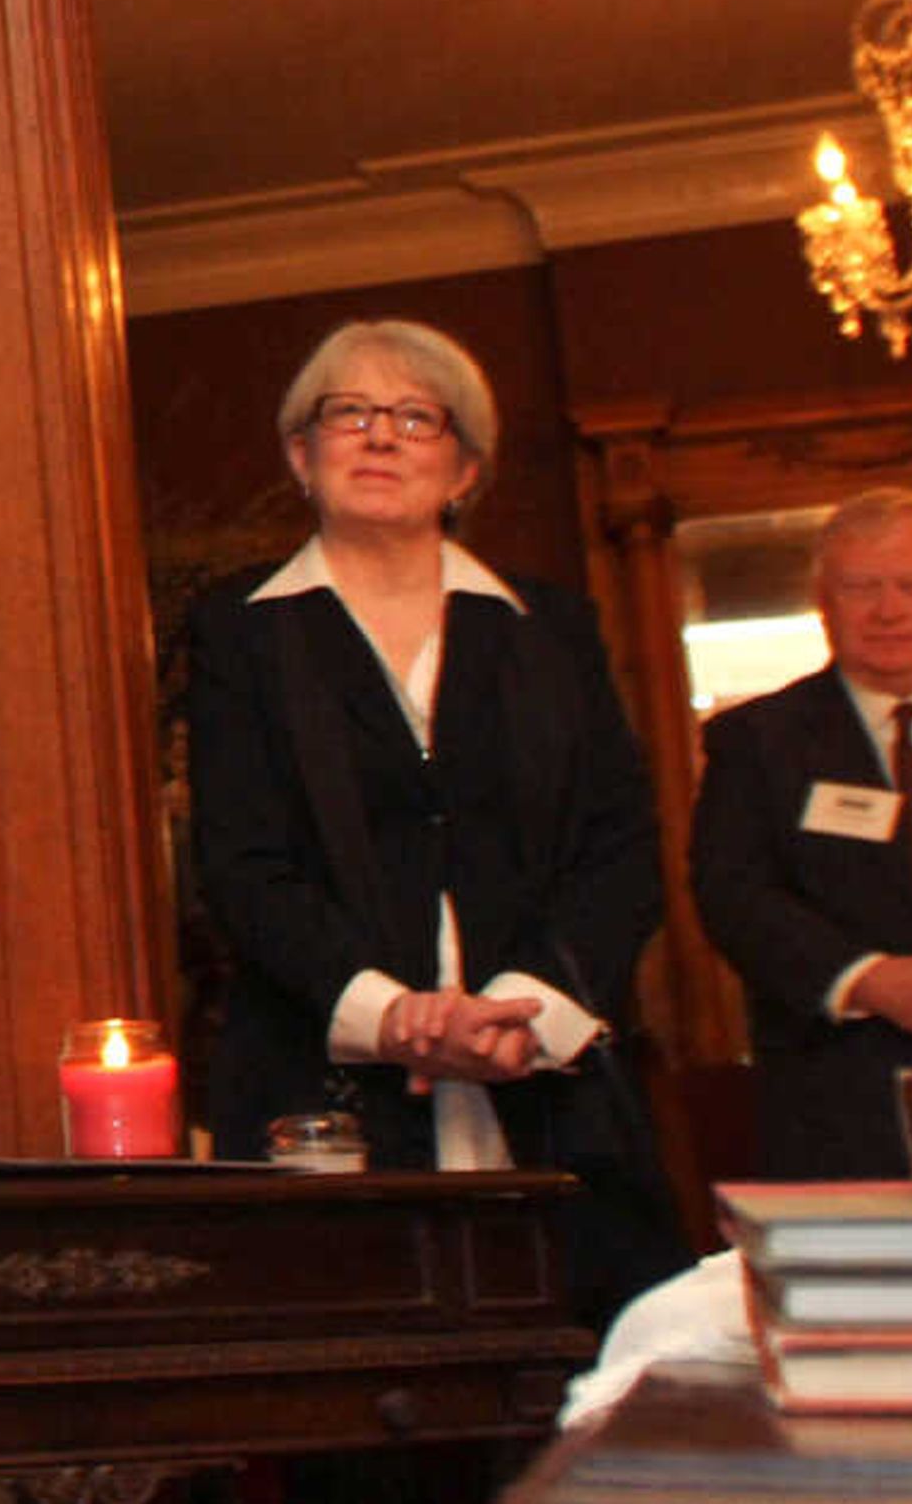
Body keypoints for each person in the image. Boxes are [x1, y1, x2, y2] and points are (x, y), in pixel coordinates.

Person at [179, 318, 680, 1329]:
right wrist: (388, 1010)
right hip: (321, 1100)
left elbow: (620, 846)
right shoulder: (237, 627)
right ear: (301, 454)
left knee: (577, 1393)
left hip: (549, 1091)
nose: (380, 435)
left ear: (464, 469)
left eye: (416, 417)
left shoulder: (551, 624)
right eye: (348, 412)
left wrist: (525, 1007)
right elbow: (241, 861)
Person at [690, 487, 912, 1178]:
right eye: (861, 587)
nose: (889, 609)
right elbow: (734, 894)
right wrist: (872, 980)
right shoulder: (758, 741)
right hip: (851, 1105)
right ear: (824, 600)